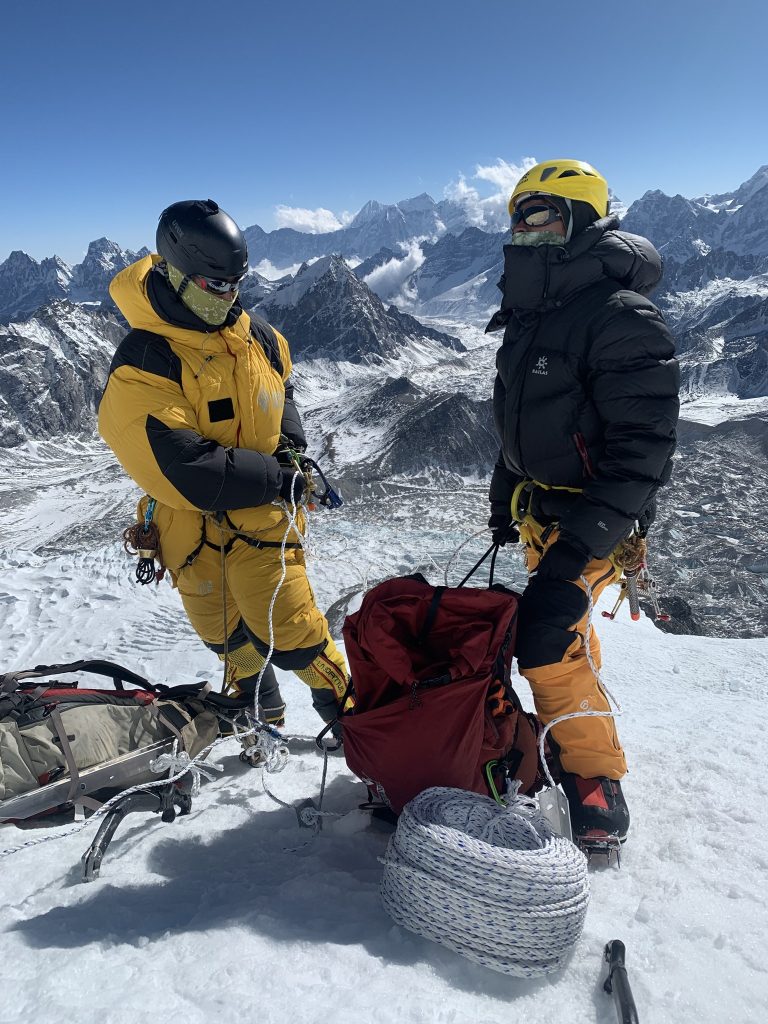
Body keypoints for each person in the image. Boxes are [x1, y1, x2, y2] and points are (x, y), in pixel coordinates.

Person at [99, 199, 349, 742]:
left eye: (236, 282)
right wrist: (280, 477)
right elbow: (186, 469)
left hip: (262, 526)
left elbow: (281, 392)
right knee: (229, 639)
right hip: (191, 531)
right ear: (173, 270)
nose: (229, 295)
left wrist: (292, 447)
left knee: (298, 636)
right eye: (215, 284)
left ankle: (363, 728)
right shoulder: (145, 359)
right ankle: (261, 723)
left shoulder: (257, 337)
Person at [486, 159, 680, 846]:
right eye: (520, 215)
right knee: (559, 633)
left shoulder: (619, 316)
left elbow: (643, 449)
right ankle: (563, 727)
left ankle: (595, 781)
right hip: (545, 510)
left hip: (599, 520)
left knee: (544, 637)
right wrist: (505, 485)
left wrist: (580, 547)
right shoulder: (535, 311)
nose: (528, 228)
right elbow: (519, 414)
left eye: (545, 214)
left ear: (584, 222)